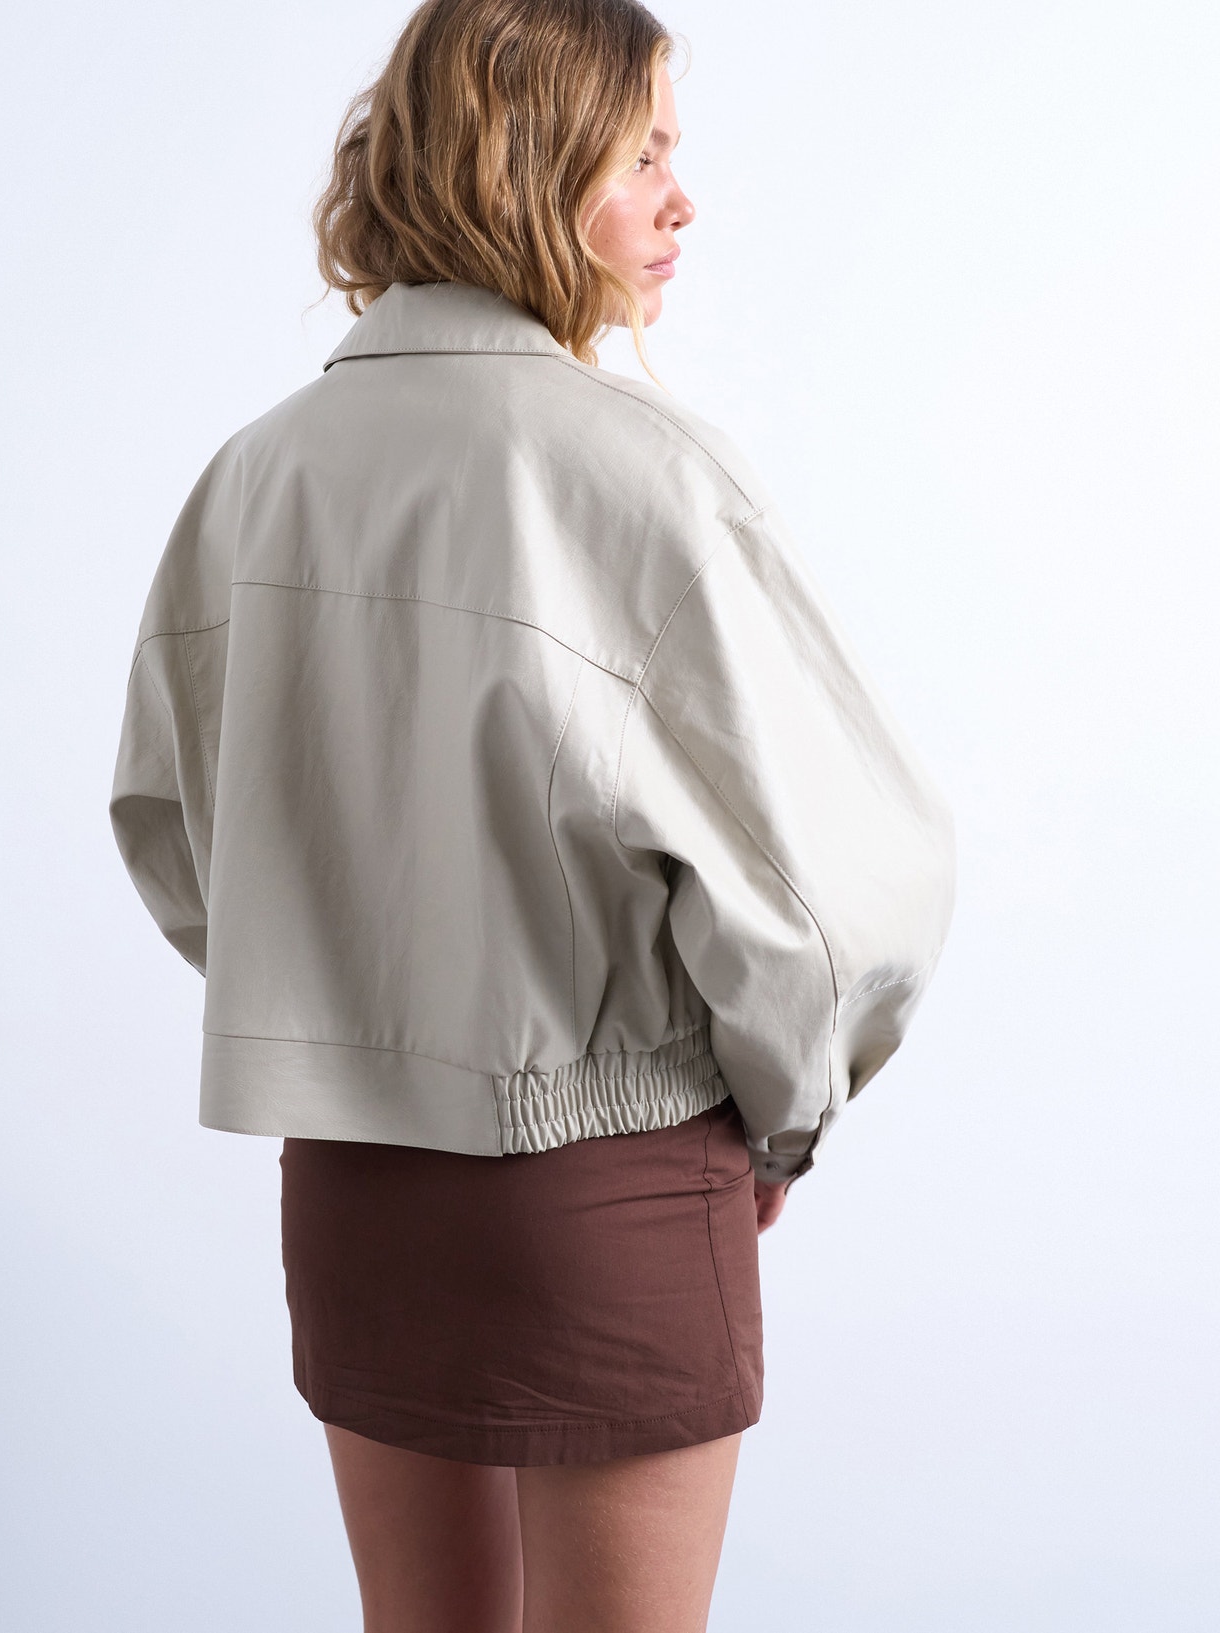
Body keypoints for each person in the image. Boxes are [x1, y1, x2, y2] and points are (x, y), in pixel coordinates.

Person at [108, 1, 957, 1628]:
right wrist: (786, 1109)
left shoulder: (255, 474)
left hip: (353, 1180)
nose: (683, 199)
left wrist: (346, 1004)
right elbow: (845, 890)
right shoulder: (646, 474)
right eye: (641, 156)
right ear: (524, 166)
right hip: (606, 1176)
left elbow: (171, 821)